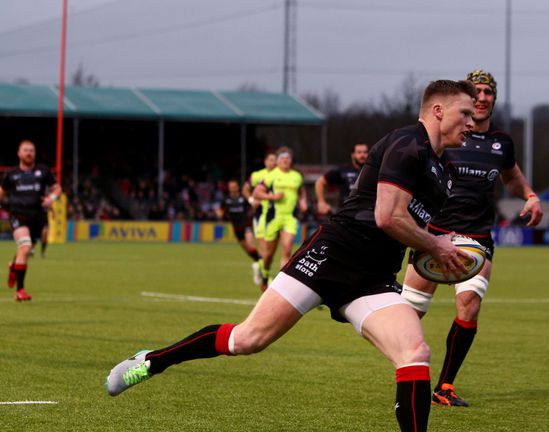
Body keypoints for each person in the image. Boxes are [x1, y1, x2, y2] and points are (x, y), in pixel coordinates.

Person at [105, 79, 477, 432]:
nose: (472, 122)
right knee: (246, 340)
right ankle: (151, 362)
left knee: (415, 351)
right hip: (333, 255)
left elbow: (410, 228)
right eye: (465, 113)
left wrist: (436, 252)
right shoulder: (406, 143)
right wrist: (434, 244)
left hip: (374, 277)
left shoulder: (445, 172)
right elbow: (386, 216)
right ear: (439, 110)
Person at [400, 69, 543, 407]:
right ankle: (409, 372)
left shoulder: (502, 142)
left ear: (494, 98)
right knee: (408, 312)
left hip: (476, 237)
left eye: (488, 92)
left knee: (469, 305)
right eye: (476, 92)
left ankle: (444, 386)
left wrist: (530, 194)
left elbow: (511, 176)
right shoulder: (445, 135)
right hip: (431, 233)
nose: (481, 98)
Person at [0, 140, 62, 302]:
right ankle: (20, 291)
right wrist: (5, 206)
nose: (29, 153)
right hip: (18, 216)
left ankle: (14, 267)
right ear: (19, 153)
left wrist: (51, 198)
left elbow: (57, 188)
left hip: (37, 218)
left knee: (26, 252)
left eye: (32, 151)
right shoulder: (11, 175)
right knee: (25, 247)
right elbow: (1, 193)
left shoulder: (43, 171)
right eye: (25, 150)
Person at [252, 147, 308, 291]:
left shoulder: (296, 176)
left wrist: (303, 202)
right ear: (277, 161)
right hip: (273, 218)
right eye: (282, 158)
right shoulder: (271, 175)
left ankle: (279, 285)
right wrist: (272, 197)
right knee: (269, 254)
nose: (285, 160)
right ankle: (265, 275)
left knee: (287, 249)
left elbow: (301, 192)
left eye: (288, 158)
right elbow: (257, 193)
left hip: (290, 217)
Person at [215, 180, 261, 285]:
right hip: (236, 228)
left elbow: (252, 206)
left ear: (237, 187)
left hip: (246, 226)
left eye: (234, 186)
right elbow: (221, 211)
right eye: (230, 186)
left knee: (250, 244)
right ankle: (258, 261)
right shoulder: (226, 200)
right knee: (247, 249)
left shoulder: (243, 198)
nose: (232, 188)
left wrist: (254, 208)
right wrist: (219, 213)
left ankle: (259, 264)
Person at [244, 151, 277, 284]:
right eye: (270, 160)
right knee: (265, 250)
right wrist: (252, 200)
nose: (273, 162)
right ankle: (266, 279)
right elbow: (245, 189)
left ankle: (260, 266)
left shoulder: (279, 176)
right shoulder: (258, 175)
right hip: (261, 216)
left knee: (271, 252)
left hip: (276, 216)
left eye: (275, 160)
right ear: (265, 162)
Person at [315, 142, 369, 217]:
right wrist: (321, 202)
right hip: (346, 215)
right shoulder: (343, 170)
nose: (362, 155)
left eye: (365, 152)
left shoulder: (372, 172)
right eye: (359, 152)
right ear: (353, 155)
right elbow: (320, 182)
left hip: (367, 216)